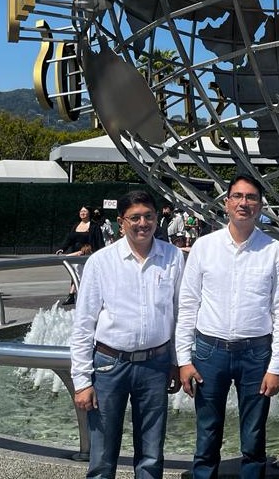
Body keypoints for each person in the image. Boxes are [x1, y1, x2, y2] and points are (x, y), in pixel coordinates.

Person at [175, 174, 279, 479]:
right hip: (209, 352)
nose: (244, 203)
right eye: (238, 196)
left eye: (251, 197)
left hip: (256, 355)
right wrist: (184, 361)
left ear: (260, 205)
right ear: (227, 203)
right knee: (207, 435)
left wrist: (276, 366)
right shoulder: (204, 247)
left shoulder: (274, 251)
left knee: (254, 439)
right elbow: (188, 305)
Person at [69, 190, 184, 479]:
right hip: (110, 366)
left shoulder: (172, 257)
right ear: (121, 222)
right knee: (103, 455)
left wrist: (177, 361)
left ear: (157, 219)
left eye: (148, 216)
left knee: (151, 454)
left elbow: (179, 313)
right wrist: (82, 381)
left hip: (155, 366)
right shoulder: (101, 261)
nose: (142, 223)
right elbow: (84, 324)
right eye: (135, 217)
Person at [56, 204, 104, 305]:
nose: (82, 213)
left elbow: (99, 243)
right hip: (75, 255)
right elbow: (69, 239)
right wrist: (62, 249)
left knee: (83, 276)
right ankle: (72, 295)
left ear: (89, 213)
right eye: (81, 211)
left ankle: (77, 295)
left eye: (85, 211)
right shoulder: (76, 226)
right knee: (76, 274)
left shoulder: (94, 226)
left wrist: (100, 255)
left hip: (86, 255)